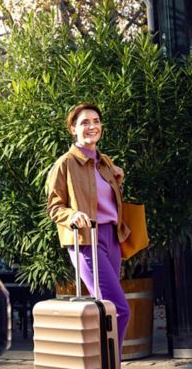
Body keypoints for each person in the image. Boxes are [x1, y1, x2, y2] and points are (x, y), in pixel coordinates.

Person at [46, 103, 131, 357]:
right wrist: (73, 214)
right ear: (73, 129)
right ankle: (108, 363)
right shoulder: (65, 164)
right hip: (85, 240)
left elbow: (108, 201)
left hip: (111, 238)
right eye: (84, 122)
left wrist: (118, 179)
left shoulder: (105, 163)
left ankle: (100, 361)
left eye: (96, 121)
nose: (91, 126)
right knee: (117, 309)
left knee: (104, 310)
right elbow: (54, 206)